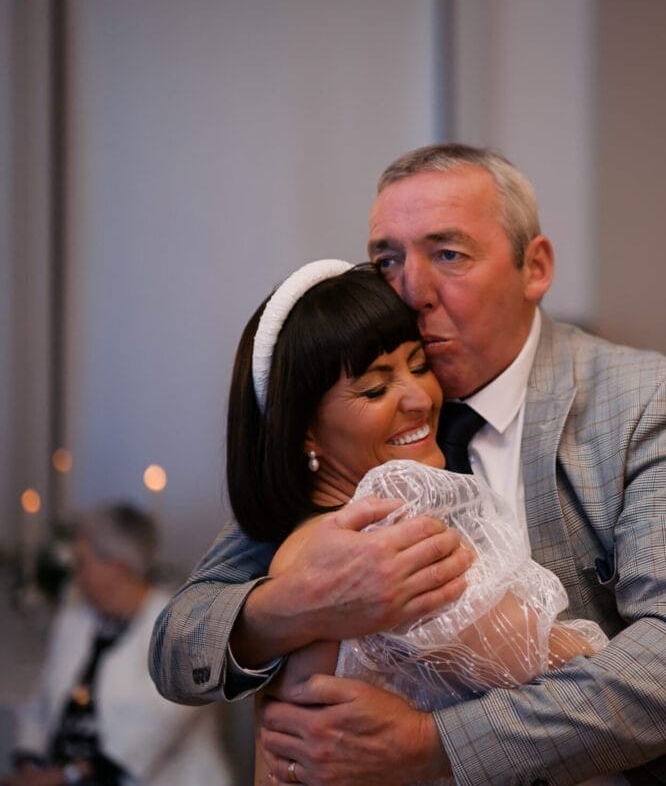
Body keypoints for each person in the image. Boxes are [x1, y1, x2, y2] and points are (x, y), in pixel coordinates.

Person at [150, 143, 666, 785]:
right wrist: (297, 605)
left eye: (447, 254)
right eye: (387, 260)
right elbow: (180, 640)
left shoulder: (641, 400)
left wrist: (434, 747)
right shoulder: (365, 429)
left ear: (535, 267)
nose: (412, 289)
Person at [222, 260, 605, 783]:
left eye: (419, 365)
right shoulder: (379, 528)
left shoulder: (302, 542)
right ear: (305, 430)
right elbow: (570, 671)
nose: (419, 399)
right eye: (376, 390)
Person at [6, 504, 231, 786]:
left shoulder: (183, 628)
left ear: (117, 567)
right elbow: (41, 700)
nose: (77, 575)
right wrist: (30, 764)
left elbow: (151, 731)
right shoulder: (75, 615)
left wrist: (60, 777)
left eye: (83, 563)